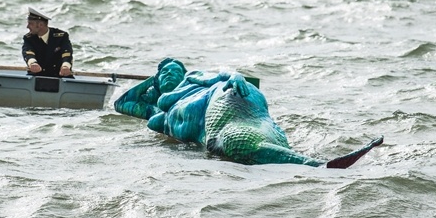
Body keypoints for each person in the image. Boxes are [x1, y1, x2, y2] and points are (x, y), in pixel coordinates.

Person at [114, 58, 383, 168]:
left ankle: (312, 165)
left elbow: (221, 75)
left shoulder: (192, 80)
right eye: (165, 71)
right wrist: (152, 81)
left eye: (175, 68)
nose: (171, 72)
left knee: (236, 137)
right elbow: (123, 103)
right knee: (229, 142)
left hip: (225, 97)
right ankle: (313, 166)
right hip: (213, 120)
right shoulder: (159, 109)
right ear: (158, 80)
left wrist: (236, 76)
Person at [22, 7, 74, 77]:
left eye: (30, 24)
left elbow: (67, 53)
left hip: (59, 76)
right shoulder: (29, 38)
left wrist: (66, 66)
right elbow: (28, 52)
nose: (27, 26)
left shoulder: (61, 36)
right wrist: (32, 63)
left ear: (40, 25)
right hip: (37, 77)